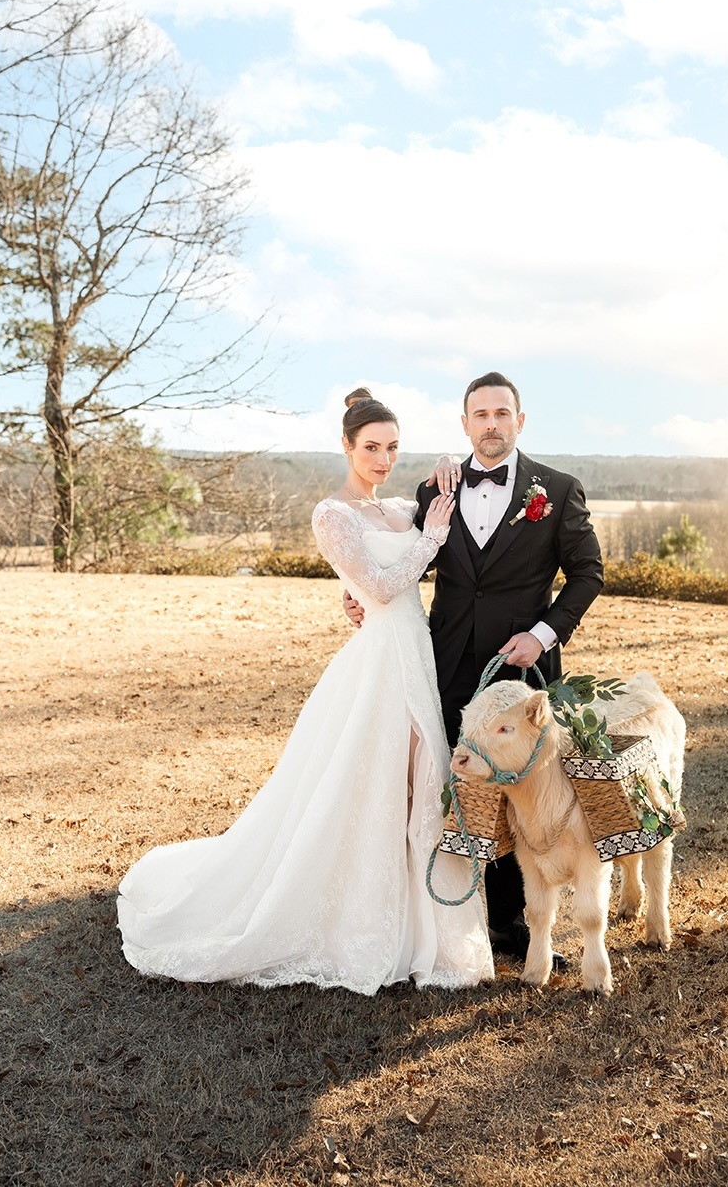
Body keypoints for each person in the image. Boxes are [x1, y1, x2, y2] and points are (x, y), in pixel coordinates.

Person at [117, 389, 493, 994]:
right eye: (371, 448)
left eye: (393, 447)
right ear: (347, 446)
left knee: (417, 778)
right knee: (367, 780)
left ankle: (423, 922)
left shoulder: (399, 507)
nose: (383, 458)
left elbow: (417, 527)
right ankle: (360, 918)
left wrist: (444, 482)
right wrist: (430, 541)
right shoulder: (331, 514)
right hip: (378, 661)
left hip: (415, 651)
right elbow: (380, 583)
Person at [346, 371, 603, 962]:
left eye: (501, 413)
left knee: (519, 791)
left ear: (519, 420)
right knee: (443, 785)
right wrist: (360, 594)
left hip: (521, 677)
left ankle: (511, 926)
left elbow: (588, 574)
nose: (491, 424)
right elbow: (403, 559)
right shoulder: (433, 487)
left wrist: (542, 636)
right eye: (479, 415)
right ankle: (437, 918)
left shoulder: (559, 491)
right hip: (443, 660)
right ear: (464, 424)